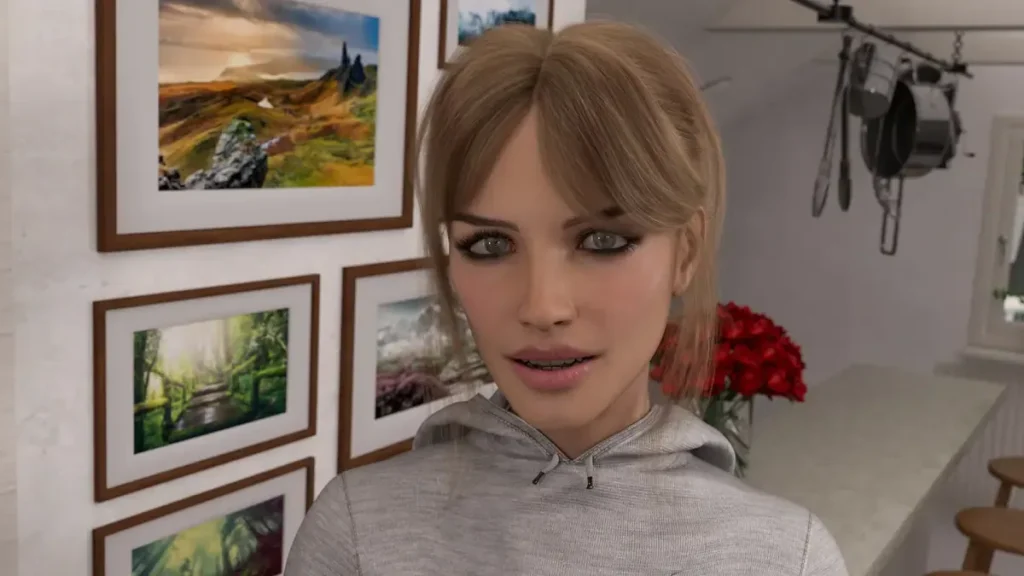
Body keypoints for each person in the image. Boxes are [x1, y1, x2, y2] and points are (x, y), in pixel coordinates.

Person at [284, 20, 848, 576]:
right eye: (490, 244)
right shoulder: (356, 536)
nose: (543, 307)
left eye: (602, 241)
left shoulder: (786, 558)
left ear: (686, 253)